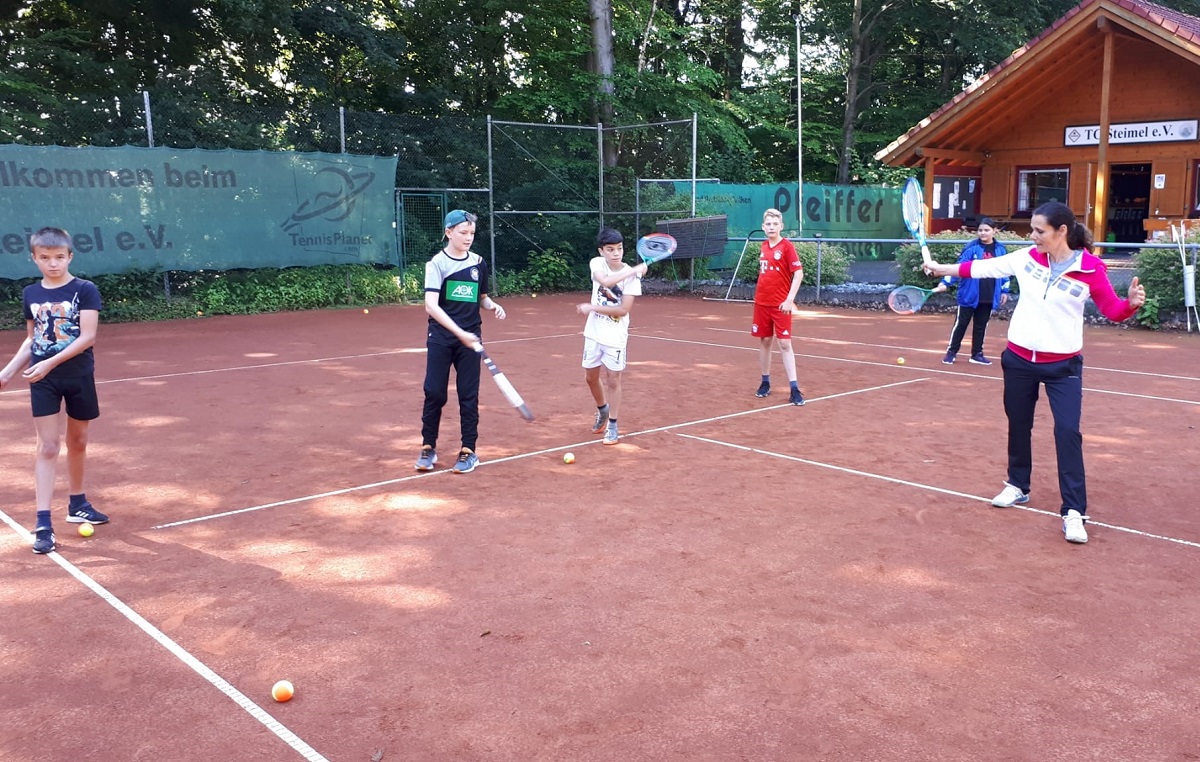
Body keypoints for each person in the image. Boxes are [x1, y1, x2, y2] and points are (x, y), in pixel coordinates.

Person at [923, 201, 1146, 544]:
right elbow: (983, 269)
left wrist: (1130, 304)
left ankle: (1073, 511)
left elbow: (1112, 310)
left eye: (1040, 231)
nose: (1033, 236)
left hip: (1063, 366)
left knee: (1068, 431)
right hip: (1019, 360)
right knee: (1018, 423)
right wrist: (941, 269)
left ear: (1062, 232)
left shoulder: (1091, 269)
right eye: (1033, 230)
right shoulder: (1026, 258)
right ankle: (1017, 485)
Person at [0, 227, 107, 554]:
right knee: (47, 446)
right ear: (34, 258)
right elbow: (33, 340)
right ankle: (43, 522)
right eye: (45, 258)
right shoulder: (31, 294)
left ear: (70, 256)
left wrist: (49, 362)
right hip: (42, 379)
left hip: (78, 375)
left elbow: (87, 337)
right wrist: (7, 371)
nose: (53, 264)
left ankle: (77, 504)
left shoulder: (85, 290)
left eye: (59, 257)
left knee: (78, 441)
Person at [415, 210, 506, 475]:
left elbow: (481, 297)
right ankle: (428, 447)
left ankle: (468, 450)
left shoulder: (478, 262)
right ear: (448, 233)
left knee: (468, 395)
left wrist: (492, 306)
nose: (468, 238)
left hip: (470, 340)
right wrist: (458, 332)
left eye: (472, 233)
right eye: (463, 233)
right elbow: (431, 306)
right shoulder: (436, 264)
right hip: (442, 338)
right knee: (434, 392)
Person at [576, 227, 648, 445]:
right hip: (593, 333)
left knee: (613, 380)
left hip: (615, 336)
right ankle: (603, 409)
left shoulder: (633, 278)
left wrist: (593, 308)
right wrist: (635, 269)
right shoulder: (596, 264)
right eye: (610, 249)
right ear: (602, 251)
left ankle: (614, 425)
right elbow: (605, 282)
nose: (616, 253)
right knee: (590, 377)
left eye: (619, 248)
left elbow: (623, 310)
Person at [932, 218, 1010, 365]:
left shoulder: (1001, 250)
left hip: (989, 294)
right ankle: (951, 352)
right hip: (969, 294)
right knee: (961, 324)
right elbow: (958, 268)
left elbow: (1005, 272)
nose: (983, 233)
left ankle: (977, 354)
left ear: (995, 231)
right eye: (980, 230)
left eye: (986, 230)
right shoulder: (971, 248)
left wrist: (1004, 290)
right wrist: (945, 283)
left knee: (981, 326)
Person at [750, 208, 805, 405]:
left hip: (780, 304)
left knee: (784, 343)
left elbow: (798, 274)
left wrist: (789, 299)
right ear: (763, 227)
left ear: (781, 226)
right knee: (765, 341)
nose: (771, 227)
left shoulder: (787, 247)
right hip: (762, 302)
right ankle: (765, 382)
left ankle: (794, 388)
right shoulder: (763, 246)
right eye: (768, 224)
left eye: (775, 224)